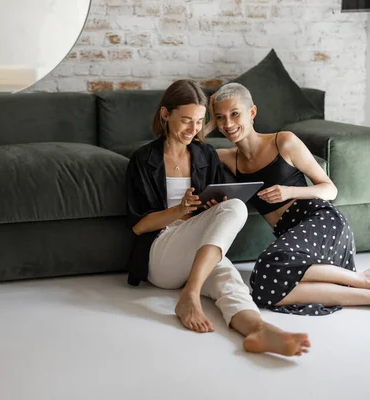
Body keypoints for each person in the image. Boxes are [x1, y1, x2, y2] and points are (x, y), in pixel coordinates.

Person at [205, 82, 370, 316]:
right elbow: (187, 148)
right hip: (292, 238)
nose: (228, 124)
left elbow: (330, 189)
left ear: (252, 112)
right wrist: (210, 122)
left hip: (321, 221)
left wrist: (289, 191)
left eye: (235, 114)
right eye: (221, 118)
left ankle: (368, 282)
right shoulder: (230, 157)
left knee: (266, 267)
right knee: (263, 289)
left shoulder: (283, 141)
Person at [126, 79, 311, 356]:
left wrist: (210, 207)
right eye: (186, 121)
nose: (193, 130)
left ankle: (257, 329)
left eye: (200, 122)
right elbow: (139, 227)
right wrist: (180, 211)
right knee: (235, 209)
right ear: (165, 115)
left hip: (198, 252)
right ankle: (189, 294)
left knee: (228, 279)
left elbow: (213, 208)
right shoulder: (143, 159)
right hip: (161, 254)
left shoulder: (205, 154)